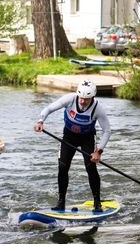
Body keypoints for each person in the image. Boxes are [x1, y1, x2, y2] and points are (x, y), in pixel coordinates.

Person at [33, 79, 112, 213]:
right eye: (81, 98)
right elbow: (49, 108)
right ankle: (61, 202)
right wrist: (41, 121)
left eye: (86, 99)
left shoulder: (98, 108)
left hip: (87, 138)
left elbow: (107, 131)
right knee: (62, 166)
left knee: (90, 167)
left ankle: (97, 202)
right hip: (69, 137)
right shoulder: (70, 99)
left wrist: (99, 151)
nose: (82, 101)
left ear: (92, 97)